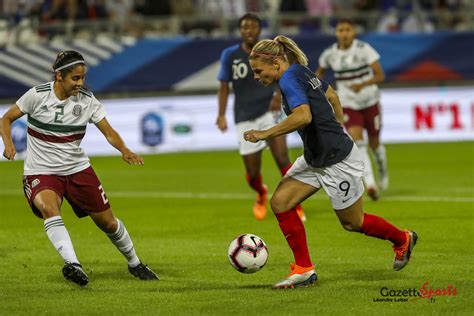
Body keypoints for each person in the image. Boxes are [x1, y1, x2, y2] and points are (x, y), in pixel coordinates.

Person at [244, 35, 417, 289]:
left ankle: (402, 238)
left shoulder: (291, 79)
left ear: (277, 63)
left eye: (258, 71)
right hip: (317, 158)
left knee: (352, 223)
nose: (256, 76)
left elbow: (303, 116)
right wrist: (338, 121)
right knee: (281, 202)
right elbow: (333, 94)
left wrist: (265, 133)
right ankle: (303, 269)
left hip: (337, 161)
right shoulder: (300, 71)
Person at [0, 50, 158, 286]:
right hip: (41, 171)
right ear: (59, 76)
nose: (80, 83)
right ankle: (73, 265)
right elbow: (6, 119)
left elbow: (109, 131)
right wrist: (9, 144)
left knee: (108, 223)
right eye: (75, 78)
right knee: (48, 208)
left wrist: (124, 150)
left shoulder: (87, 100)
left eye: (83, 77)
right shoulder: (37, 95)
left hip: (78, 170)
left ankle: (135, 263)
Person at [216, 13, 305, 221]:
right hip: (244, 116)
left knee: (282, 158)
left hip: (270, 111)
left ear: (259, 29)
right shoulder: (230, 55)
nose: (249, 31)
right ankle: (261, 192)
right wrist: (221, 115)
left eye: (253, 27)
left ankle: (294, 202)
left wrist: (277, 95)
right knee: (252, 173)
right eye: (245, 27)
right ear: (240, 30)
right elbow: (223, 86)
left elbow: (286, 73)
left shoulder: (271, 51)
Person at [316, 18, 388, 201]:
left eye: (347, 29)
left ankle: (382, 170)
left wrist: (363, 83)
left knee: (375, 144)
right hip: (348, 104)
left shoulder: (364, 49)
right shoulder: (329, 54)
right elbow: (318, 74)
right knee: (359, 142)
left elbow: (380, 75)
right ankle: (370, 185)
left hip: (370, 101)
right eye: (340, 30)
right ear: (336, 33)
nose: (344, 33)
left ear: (353, 32)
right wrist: (317, 88)